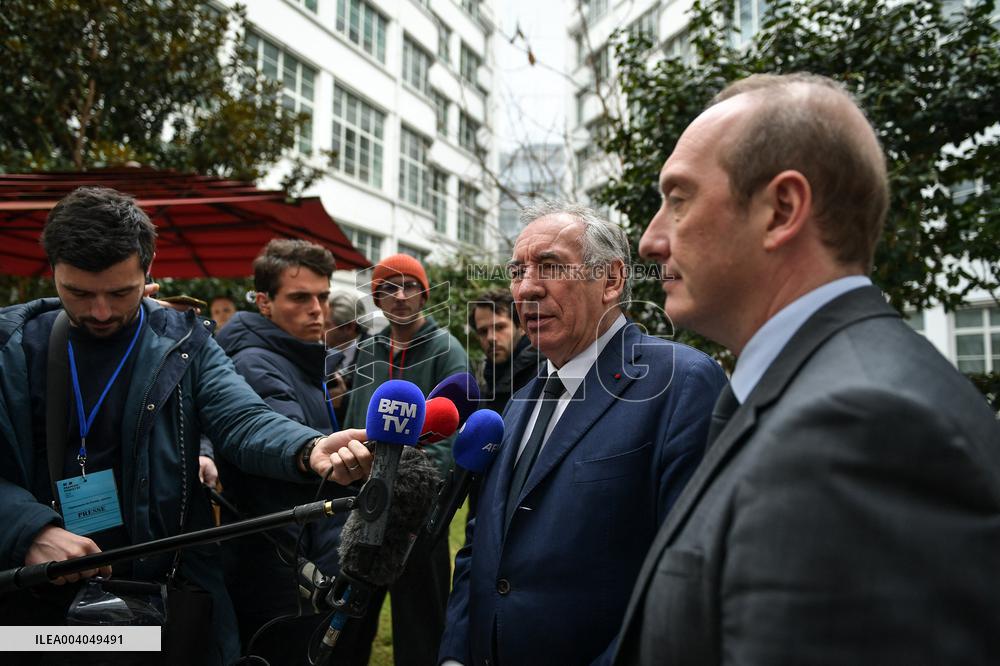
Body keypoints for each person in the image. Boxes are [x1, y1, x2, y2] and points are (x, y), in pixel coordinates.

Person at [612, 73, 1000, 665]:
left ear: (782, 210)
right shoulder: (821, 394)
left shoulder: (856, 428)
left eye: (679, 199)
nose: (649, 239)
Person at [0, 187, 372, 666]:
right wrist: (28, 530)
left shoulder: (184, 341)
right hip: (37, 602)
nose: (100, 312)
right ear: (53, 271)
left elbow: (241, 417)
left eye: (120, 293)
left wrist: (309, 448)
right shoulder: (13, 345)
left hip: (157, 592)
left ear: (148, 273)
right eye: (78, 293)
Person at [439, 203, 727, 666]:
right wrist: (455, 655)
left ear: (611, 280)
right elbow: (481, 548)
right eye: (517, 271)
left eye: (550, 266)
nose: (527, 288)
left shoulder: (682, 382)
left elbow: (690, 582)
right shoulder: (516, 403)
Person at [214, 239, 353, 665]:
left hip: (299, 551)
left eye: (322, 296)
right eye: (299, 297)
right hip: (280, 559)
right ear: (263, 302)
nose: (316, 308)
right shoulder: (258, 361)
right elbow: (286, 459)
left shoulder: (294, 354)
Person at [342, 253, 469, 666]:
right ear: (377, 297)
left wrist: (409, 482)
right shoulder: (368, 349)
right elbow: (353, 418)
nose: (400, 296)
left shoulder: (446, 349)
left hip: (418, 508)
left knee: (420, 622)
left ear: (424, 292)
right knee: (349, 618)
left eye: (409, 286)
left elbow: (453, 431)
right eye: (388, 288)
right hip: (365, 499)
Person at [468, 288, 545, 414]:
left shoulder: (542, 373)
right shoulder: (485, 379)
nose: (491, 338)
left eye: (499, 327)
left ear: (521, 327)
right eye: (482, 332)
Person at [324, 290, 370, 424]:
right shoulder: (321, 350)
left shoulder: (375, 353)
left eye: (326, 325)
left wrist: (344, 401)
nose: (319, 329)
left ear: (349, 327)